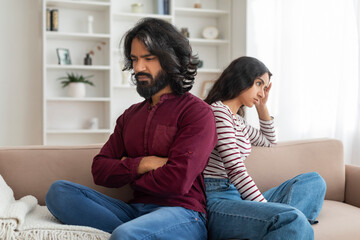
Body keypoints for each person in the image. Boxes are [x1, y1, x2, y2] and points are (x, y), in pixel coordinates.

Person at [45, 18, 217, 240]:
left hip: (182, 213)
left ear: (170, 59)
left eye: (148, 58)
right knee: (59, 192)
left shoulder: (197, 112)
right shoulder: (129, 115)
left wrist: (126, 170)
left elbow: (178, 180)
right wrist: (143, 164)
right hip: (133, 211)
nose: (138, 68)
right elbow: (99, 170)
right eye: (134, 59)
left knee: (126, 234)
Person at [203, 56, 326, 240]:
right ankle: (288, 226)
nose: (261, 92)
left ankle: (281, 227)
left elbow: (269, 140)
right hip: (219, 199)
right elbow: (235, 170)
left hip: (239, 197)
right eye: (259, 84)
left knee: (314, 182)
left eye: (265, 87)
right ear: (241, 78)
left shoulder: (237, 120)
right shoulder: (219, 112)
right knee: (292, 219)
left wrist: (262, 106)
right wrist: (265, 208)